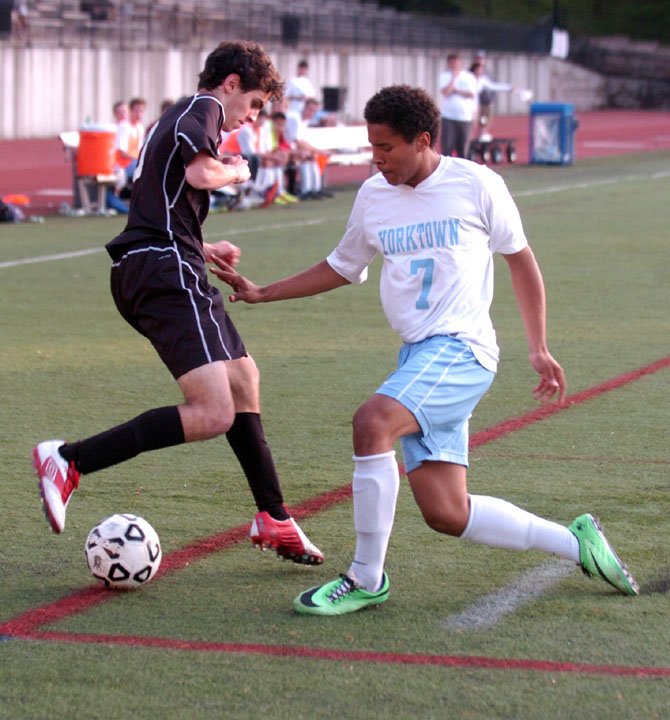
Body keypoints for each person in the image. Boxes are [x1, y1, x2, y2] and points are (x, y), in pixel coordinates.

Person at [210, 84, 639, 615]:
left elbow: (521, 261)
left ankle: (366, 577)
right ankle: (579, 544)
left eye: (386, 147)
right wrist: (263, 291)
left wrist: (539, 347)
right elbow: (344, 266)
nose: (377, 159)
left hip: (463, 349)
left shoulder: (476, 184)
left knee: (372, 422)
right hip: (419, 357)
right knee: (446, 512)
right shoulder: (372, 195)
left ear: (424, 139)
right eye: (371, 147)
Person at [32, 40, 324, 567]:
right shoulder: (204, 109)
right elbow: (200, 173)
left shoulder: (180, 117)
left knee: (243, 378)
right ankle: (69, 460)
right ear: (231, 84)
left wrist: (203, 246)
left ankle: (273, 516)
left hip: (168, 260)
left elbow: (158, 199)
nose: (251, 118)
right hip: (162, 269)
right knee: (214, 412)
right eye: (254, 105)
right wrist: (240, 169)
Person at [285, 98, 331, 200]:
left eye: (314, 111)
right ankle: (305, 190)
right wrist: (319, 151)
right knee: (306, 155)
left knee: (311, 156)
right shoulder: (295, 118)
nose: (312, 113)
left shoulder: (304, 121)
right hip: (285, 147)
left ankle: (315, 189)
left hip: (294, 148)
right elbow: (296, 141)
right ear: (304, 107)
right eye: (310, 109)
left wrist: (314, 151)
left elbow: (302, 141)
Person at [437, 52, 477, 158]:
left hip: (465, 117)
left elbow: (471, 94)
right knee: (447, 147)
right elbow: (446, 92)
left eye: (456, 62)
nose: (454, 64)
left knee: (463, 148)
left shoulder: (468, 77)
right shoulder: (444, 76)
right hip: (448, 116)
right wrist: (453, 78)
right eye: (451, 62)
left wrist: (457, 90)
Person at [469, 58, 515, 140]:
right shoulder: (467, 78)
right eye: (479, 70)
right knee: (470, 124)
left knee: (480, 121)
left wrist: (509, 87)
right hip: (466, 106)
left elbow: (494, 86)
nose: (480, 72)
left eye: (481, 70)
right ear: (474, 70)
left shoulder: (482, 80)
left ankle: (479, 138)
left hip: (474, 106)